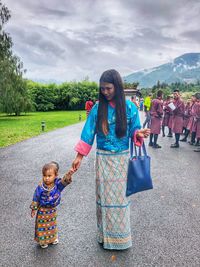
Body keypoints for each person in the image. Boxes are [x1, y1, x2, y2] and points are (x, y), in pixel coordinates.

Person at [71, 69, 150, 250]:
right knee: (103, 200)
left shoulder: (130, 108)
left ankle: (120, 239)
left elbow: (134, 130)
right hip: (103, 160)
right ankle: (104, 236)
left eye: (109, 88)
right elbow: (88, 132)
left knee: (120, 200)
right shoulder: (98, 108)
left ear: (117, 87)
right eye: (103, 89)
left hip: (122, 161)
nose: (105, 92)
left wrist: (138, 133)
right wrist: (79, 157)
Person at [30, 162, 73, 248]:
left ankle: (52, 238)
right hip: (42, 210)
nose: (46, 178)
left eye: (49, 176)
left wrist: (69, 174)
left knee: (52, 224)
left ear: (55, 176)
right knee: (42, 225)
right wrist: (34, 209)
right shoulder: (41, 187)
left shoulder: (57, 185)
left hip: (52, 210)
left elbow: (64, 181)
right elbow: (36, 197)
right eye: (44, 176)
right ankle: (43, 241)